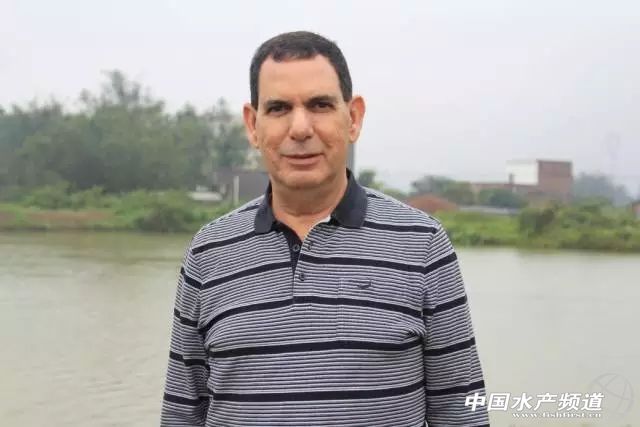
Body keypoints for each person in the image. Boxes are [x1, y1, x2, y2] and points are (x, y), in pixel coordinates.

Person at [161, 31, 489, 426]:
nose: (300, 128)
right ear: (253, 125)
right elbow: (182, 414)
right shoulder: (208, 253)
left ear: (353, 118)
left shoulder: (422, 245)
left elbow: (461, 410)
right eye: (279, 108)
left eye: (320, 105)